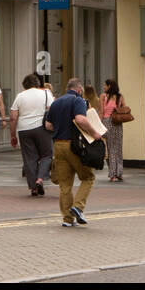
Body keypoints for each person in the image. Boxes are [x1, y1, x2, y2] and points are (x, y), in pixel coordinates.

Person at [45, 77, 96, 227]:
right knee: (88, 177)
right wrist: (94, 133)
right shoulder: (77, 100)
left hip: (58, 145)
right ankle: (78, 207)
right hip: (73, 145)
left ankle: (67, 219)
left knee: (65, 185)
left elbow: (48, 125)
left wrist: (60, 127)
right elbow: (80, 119)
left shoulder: (56, 102)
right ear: (79, 89)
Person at [10, 73, 53, 196]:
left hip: (24, 129)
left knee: (29, 158)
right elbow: (52, 110)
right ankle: (40, 179)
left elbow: (13, 117)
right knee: (47, 155)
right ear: (37, 84)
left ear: (25, 85)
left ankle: (33, 187)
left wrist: (13, 135)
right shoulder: (45, 93)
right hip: (41, 128)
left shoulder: (20, 96)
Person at [100, 78, 127, 182]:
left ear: (109, 86)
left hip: (108, 122)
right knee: (118, 148)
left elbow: (102, 112)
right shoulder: (120, 97)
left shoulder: (103, 96)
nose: (104, 87)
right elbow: (125, 108)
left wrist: (99, 125)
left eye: (105, 85)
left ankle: (113, 174)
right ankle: (119, 173)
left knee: (112, 148)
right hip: (118, 123)